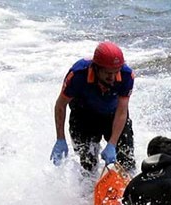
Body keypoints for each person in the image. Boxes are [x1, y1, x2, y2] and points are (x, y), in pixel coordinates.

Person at [50, 41, 136, 172]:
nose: (112, 77)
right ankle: (88, 188)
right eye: (108, 73)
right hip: (83, 116)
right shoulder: (77, 74)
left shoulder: (126, 75)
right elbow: (60, 105)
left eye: (115, 72)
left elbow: (122, 111)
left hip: (113, 115)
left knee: (126, 160)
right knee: (88, 163)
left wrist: (112, 143)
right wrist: (60, 138)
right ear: (96, 68)